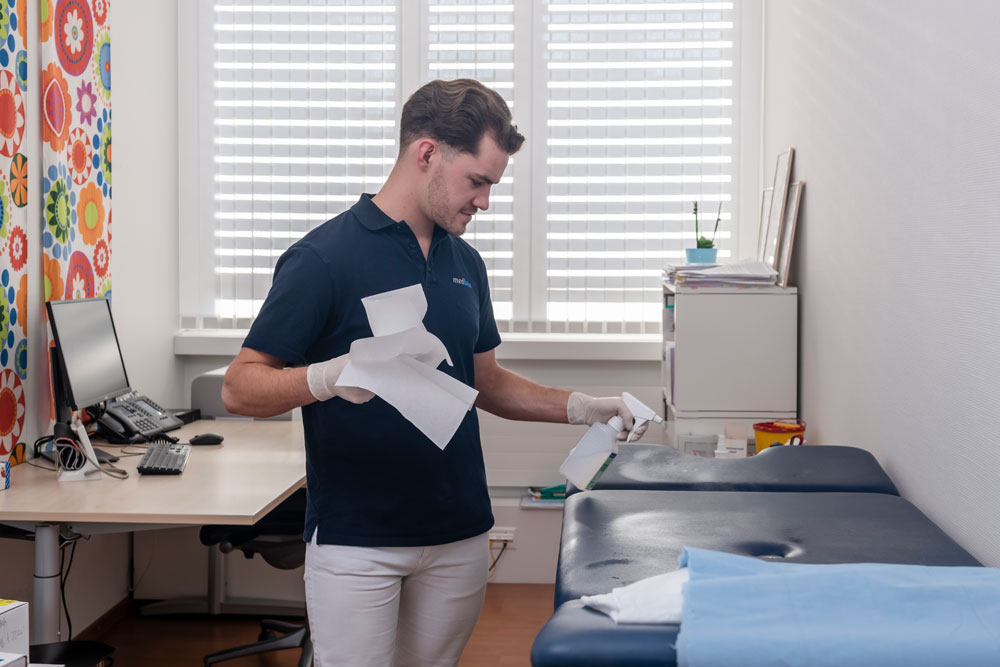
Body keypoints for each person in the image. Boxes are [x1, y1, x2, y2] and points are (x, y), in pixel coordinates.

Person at [222, 78, 648, 667]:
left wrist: (581, 406)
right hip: (357, 539)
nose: (485, 202)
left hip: (458, 532)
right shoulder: (323, 259)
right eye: (478, 181)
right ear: (427, 153)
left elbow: (488, 382)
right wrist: (326, 378)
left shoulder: (466, 263)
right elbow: (239, 385)